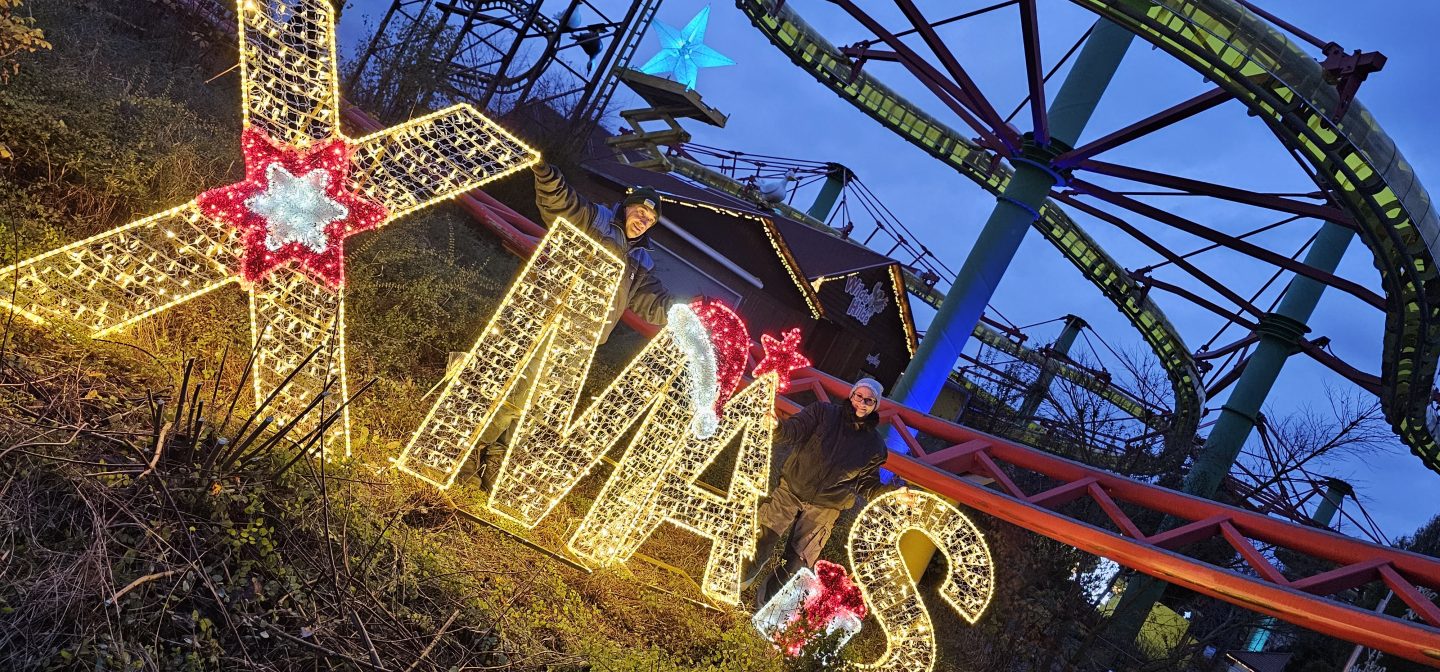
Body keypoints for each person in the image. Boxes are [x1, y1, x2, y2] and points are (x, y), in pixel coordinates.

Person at [465, 162, 679, 486]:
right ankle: (471, 449)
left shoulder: (641, 261)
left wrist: (690, 311)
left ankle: (498, 463)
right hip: (551, 321)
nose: (643, 220)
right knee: (518, 392)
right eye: (639, 212)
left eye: (650, 220)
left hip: (581, 341)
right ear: (627, 206)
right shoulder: (596, 220)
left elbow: (653, 303)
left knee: (540, 408)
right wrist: (548, 176)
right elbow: (562, 206)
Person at [743, 377, 909, 607]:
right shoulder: (823, 413)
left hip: (826, 507)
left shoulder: (875, 446)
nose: (862, 403)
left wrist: (891, 495)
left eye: (869, 401)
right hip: (792, 488)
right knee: (761, 538)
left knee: (796, 561)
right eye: (859, 396)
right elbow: (795, 430)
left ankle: (766, 608)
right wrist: (777, 427)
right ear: (851, 394)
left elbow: (867, 485)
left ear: (875, 405)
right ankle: (737, 584)